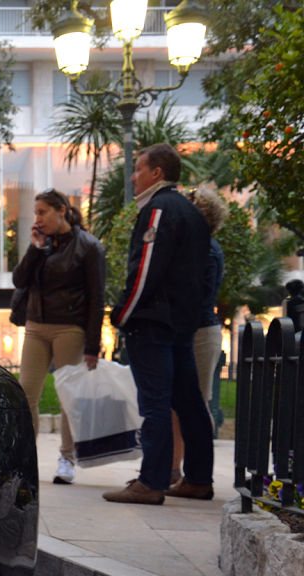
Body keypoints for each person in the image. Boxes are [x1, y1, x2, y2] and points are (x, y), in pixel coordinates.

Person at [103, 144, 213, 504]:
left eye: (137, 169)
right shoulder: (193, 214)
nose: (133, 176)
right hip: (181, 324)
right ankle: (198, 479)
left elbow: (145, 270)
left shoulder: (157, 209)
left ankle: (151, 483)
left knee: (155, 403)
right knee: (189, 402)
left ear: (157, 173)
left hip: (152, 323)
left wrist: (121, 313)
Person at [10, 188, 106, 485]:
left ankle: (67, 459)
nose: (37, 218)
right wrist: (35, 248)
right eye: (36, 212)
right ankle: (26, 460)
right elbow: (19, 280)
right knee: (26, 394)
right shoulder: (43, 244)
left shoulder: (89, 246)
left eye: (43, 212)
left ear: (62, 210)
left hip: (70, 328)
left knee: (68, 397)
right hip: (36, 326)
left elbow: (96, 297)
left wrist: (92, 344)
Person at [170, 188, 227, 487]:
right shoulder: (198, 246)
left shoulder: (206, 249)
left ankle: (195, 473)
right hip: (193, 330)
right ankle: (175, 470)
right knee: (179, 404)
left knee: (195, 402)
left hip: (200, 332)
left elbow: (199, 296)